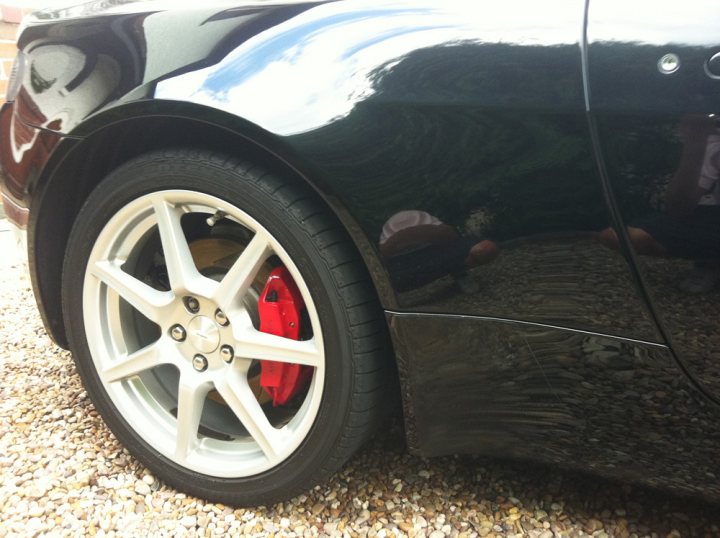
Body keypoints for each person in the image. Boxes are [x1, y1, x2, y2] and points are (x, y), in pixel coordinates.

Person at [598, 115, 720, 292]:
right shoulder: (713, 144)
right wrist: (695, 143)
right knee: (617, 236)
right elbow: (678, 207)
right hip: (711, 217)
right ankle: (710, 262)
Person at [379, 210, 498, 292]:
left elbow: (485, 248)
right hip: (398, 268)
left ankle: (459, 272)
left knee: (484, 249)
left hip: (433, 252)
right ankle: (459, 272)